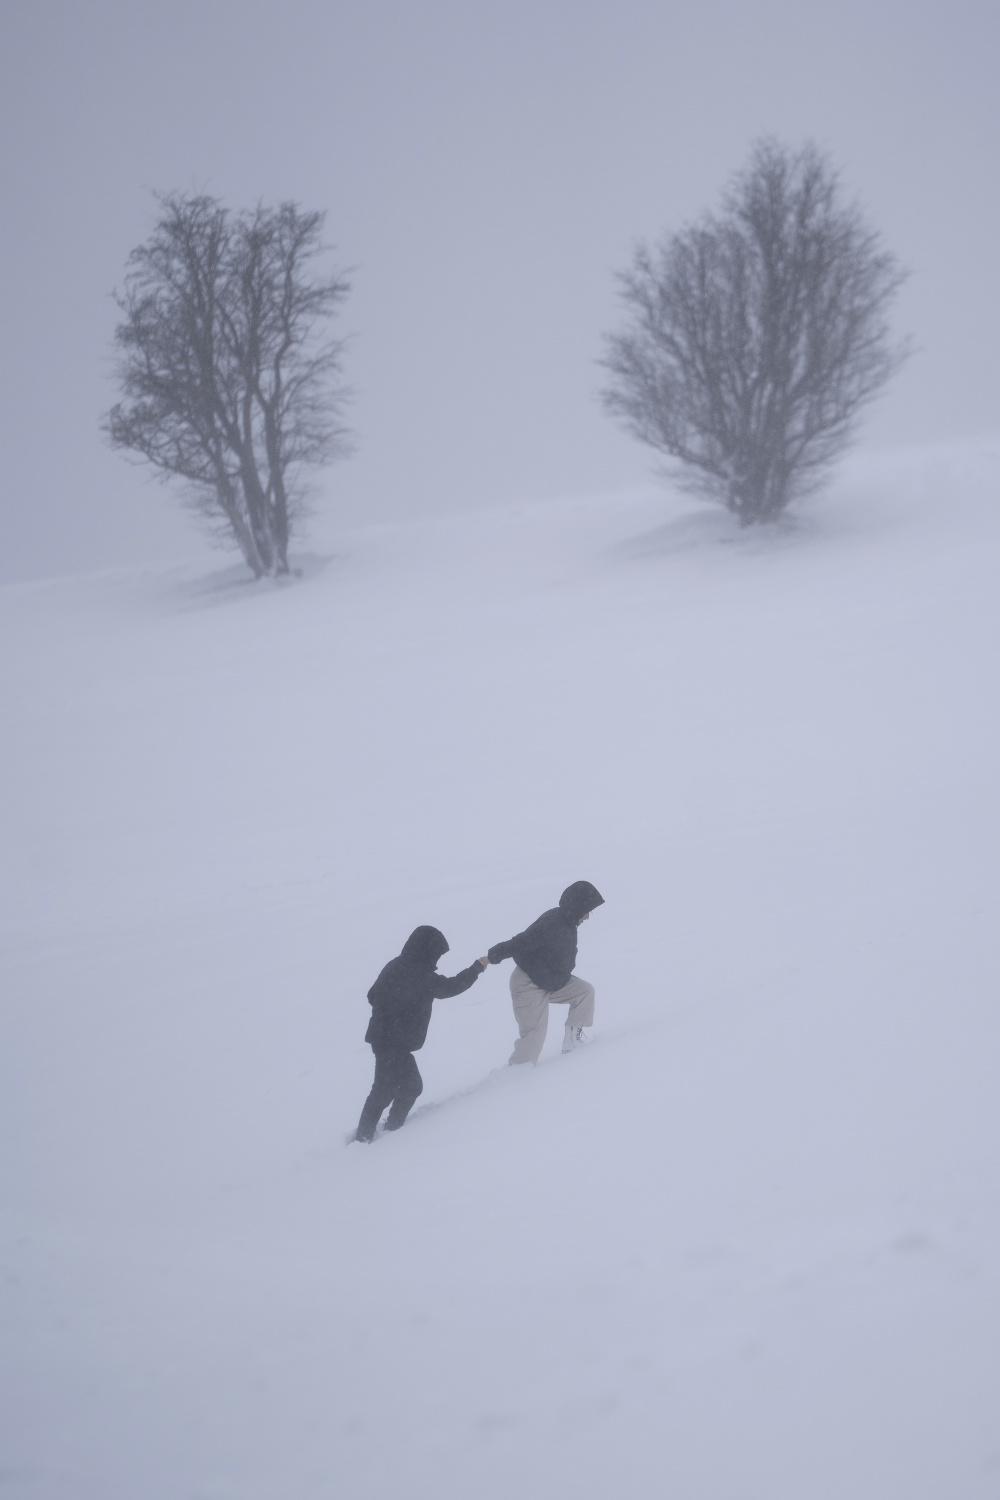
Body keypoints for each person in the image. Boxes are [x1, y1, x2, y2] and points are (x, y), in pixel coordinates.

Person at [354, 926, 488, 1142]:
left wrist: (392, 1010)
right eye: (437, 954)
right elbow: (452, 987)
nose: (437, 959)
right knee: (386, 1089)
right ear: (427, 951)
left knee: (407, 1086)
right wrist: (476, 968)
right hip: (393, 1042)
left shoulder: (395, 965)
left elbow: (372, 995)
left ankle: (387, 1130)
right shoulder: (422, 976)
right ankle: (365, 1140)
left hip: (385, 1038)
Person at [487, 881, 604, 1065]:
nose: (588, 916)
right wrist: (496, 954)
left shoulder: (570, 923)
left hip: (553, 982)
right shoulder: (553, 922)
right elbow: (521, 942)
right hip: (528, 984)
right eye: (587, 910)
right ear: (578, 906)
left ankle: (572, 1043)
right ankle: (515, 1079)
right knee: (534, 1037)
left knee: (585, 992)